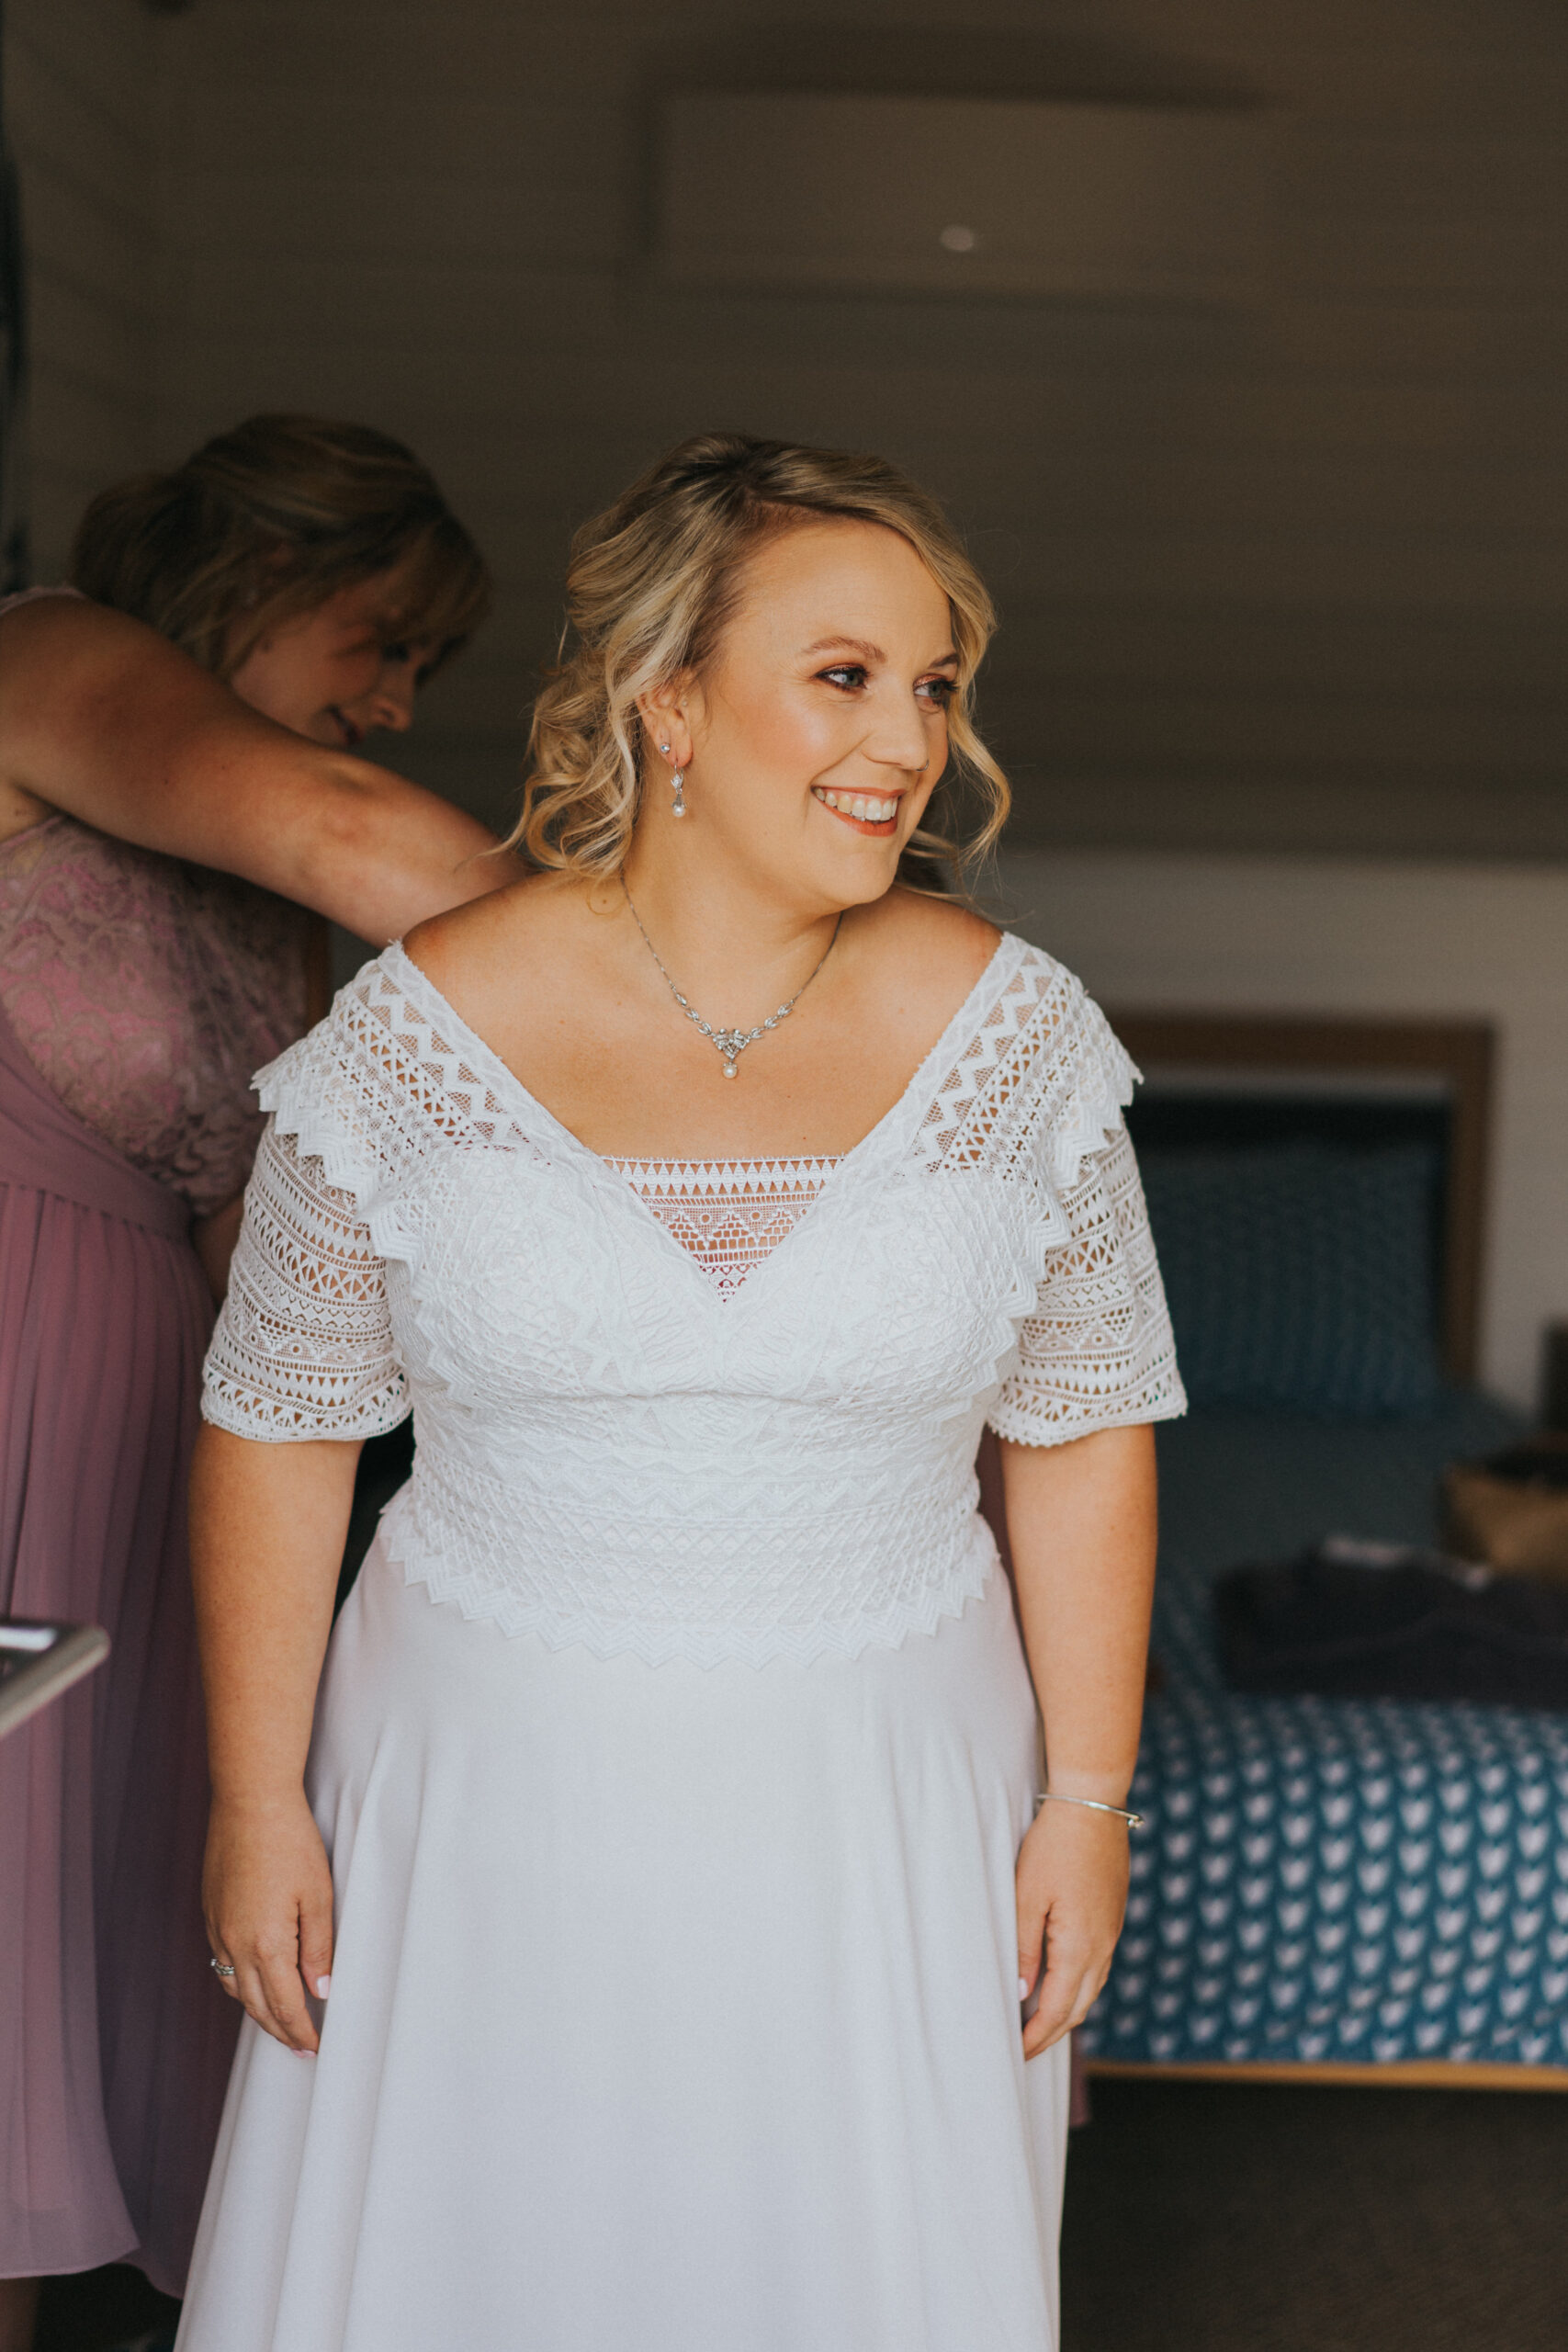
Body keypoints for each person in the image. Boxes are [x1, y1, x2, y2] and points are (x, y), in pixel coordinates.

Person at [178, 433, 1185, 2351]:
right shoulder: (411, 1031)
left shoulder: (1014, 1030)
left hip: (882, 1785)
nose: (903, 736)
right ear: (668, 704)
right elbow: (279, 1425)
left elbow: (1079, 1424)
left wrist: (1084, 1795)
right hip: (475, 1786)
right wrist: (252, 1795)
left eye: (933, 682)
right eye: (841, 673)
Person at [0, 415, 522, 2349]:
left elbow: (272, 1254)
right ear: (251, 571)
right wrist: (716, 959)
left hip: (148, 1440)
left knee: (56, 1970)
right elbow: (359, 835)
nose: (387, 702)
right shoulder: (45, 659)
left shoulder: (268, 917)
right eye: (378, 639)